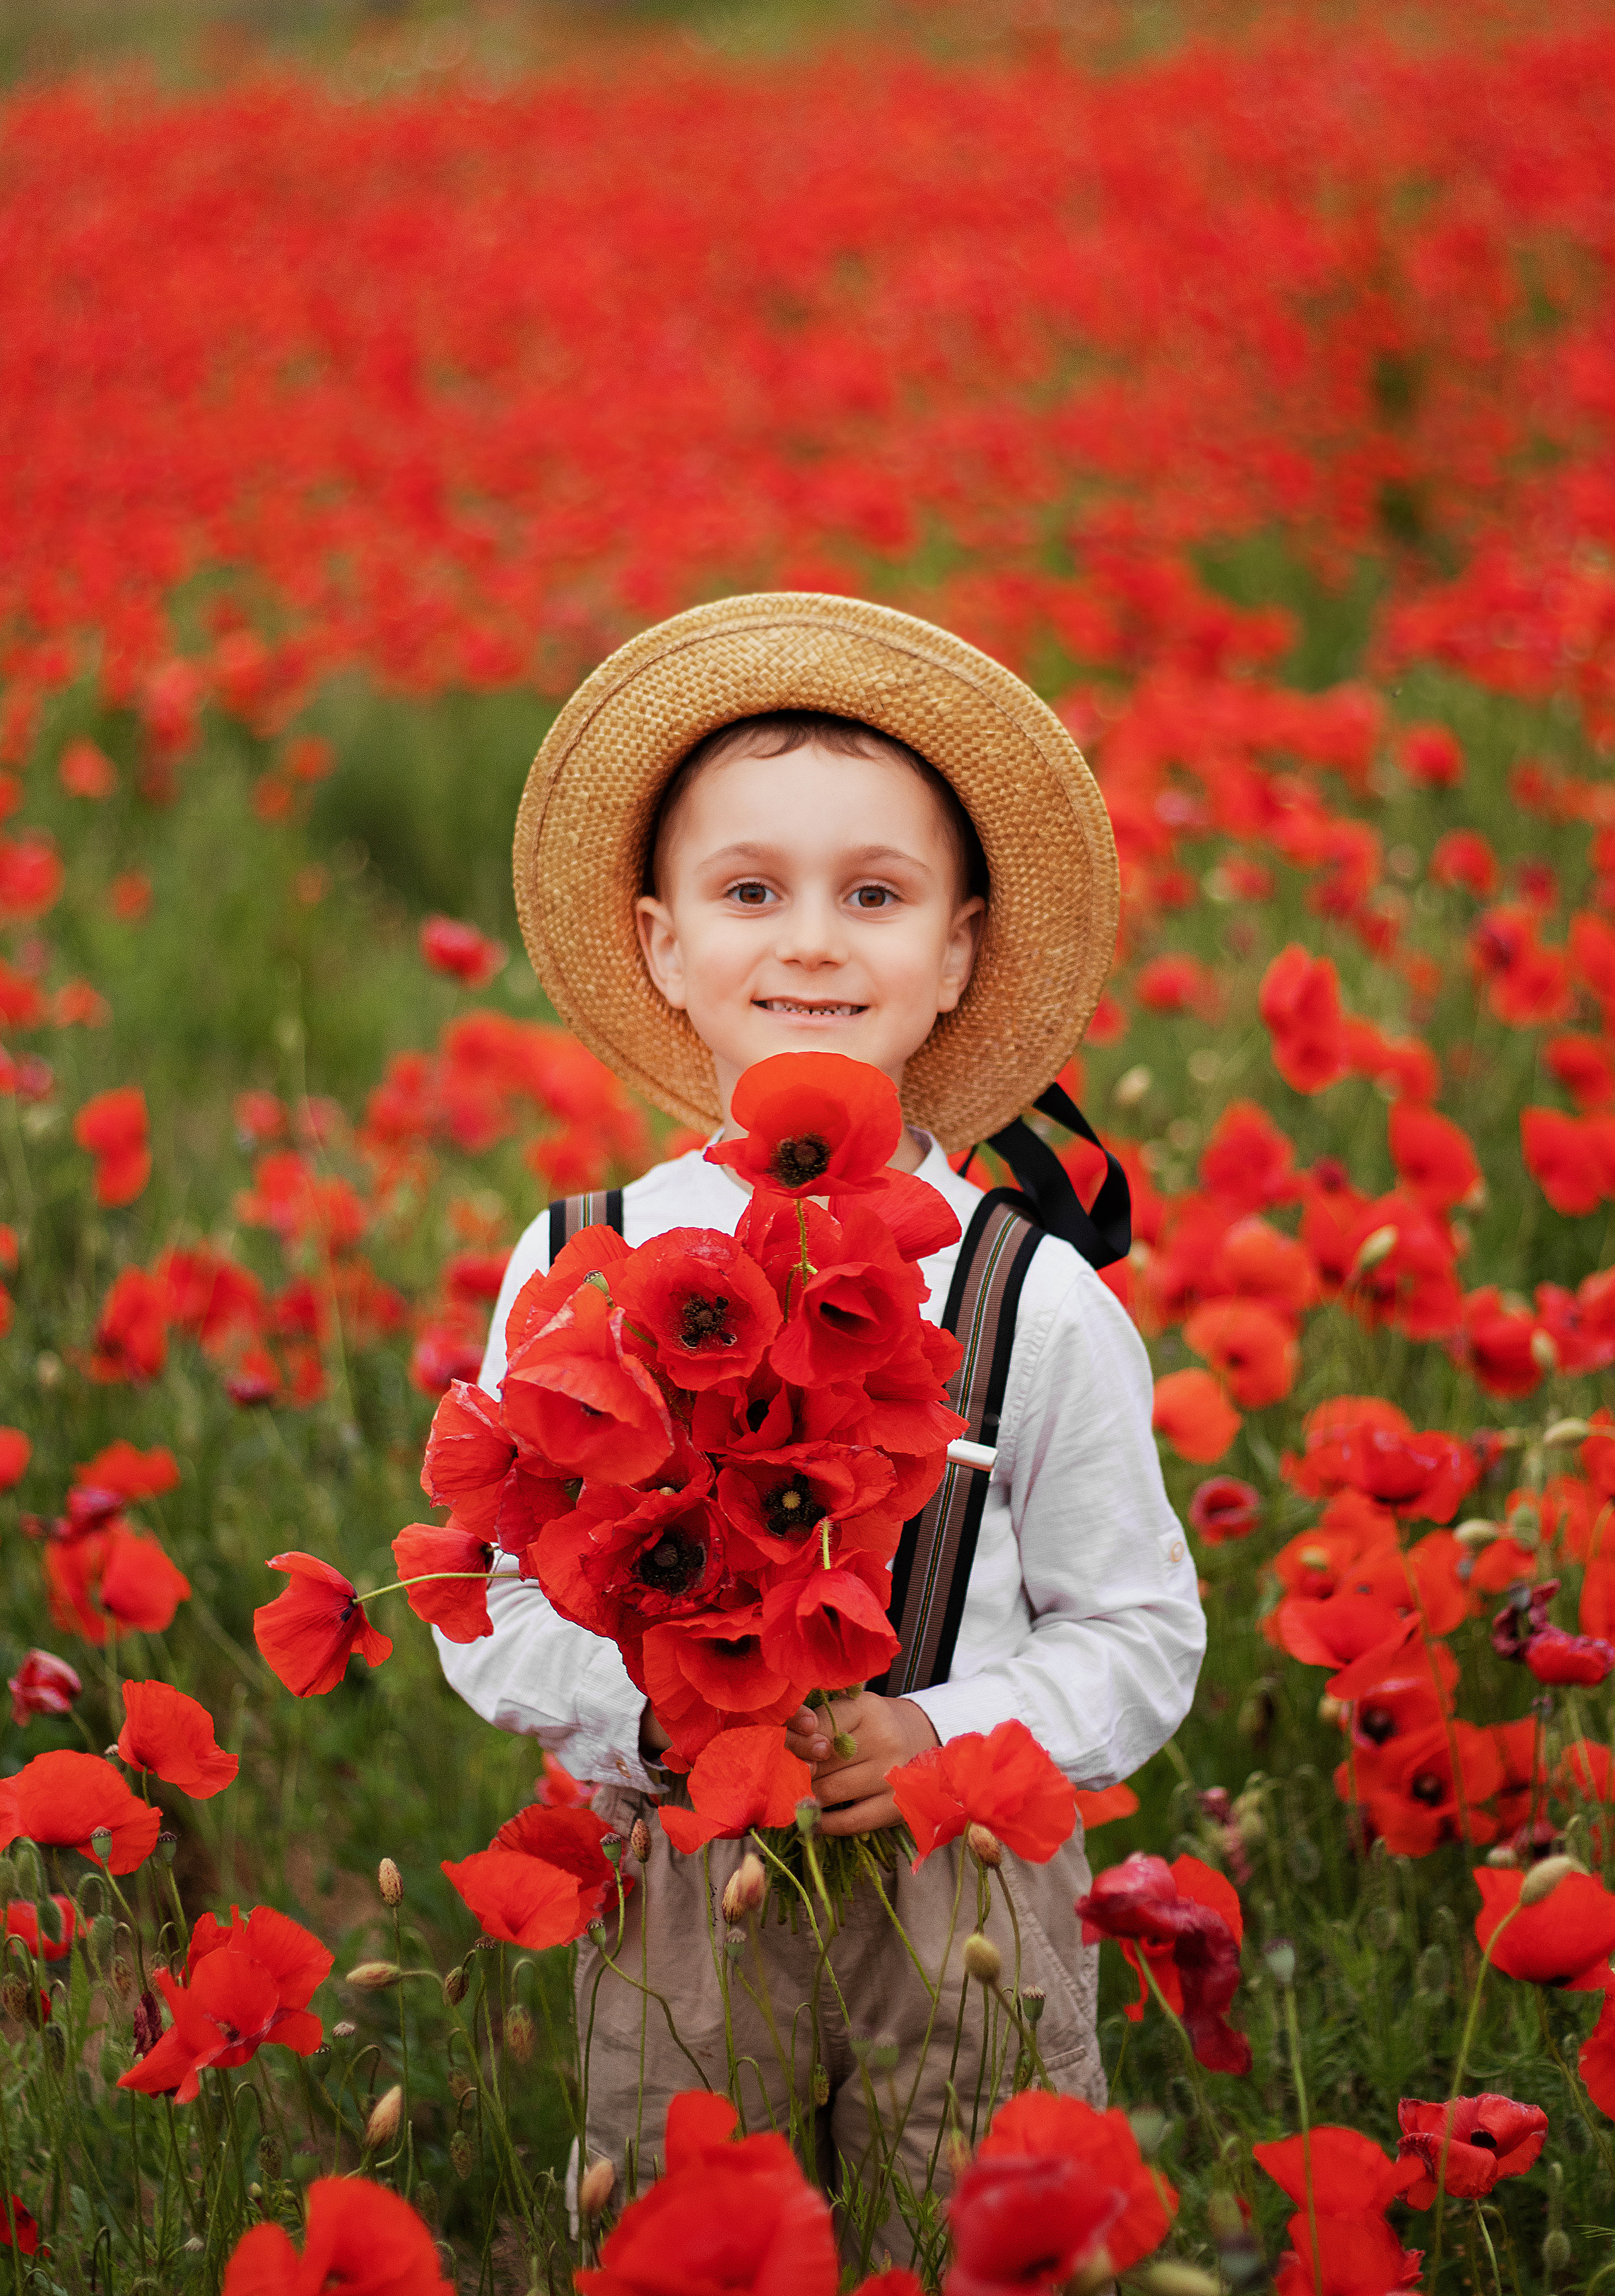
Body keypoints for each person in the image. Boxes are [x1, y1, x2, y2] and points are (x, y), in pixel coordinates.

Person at [435, 592, 1205, 2245]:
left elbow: (1139, 1632)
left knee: (981, 2232)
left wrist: (946, 1733)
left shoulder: (1034, 1297)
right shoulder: (576, 1266)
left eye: (875, 895)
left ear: (959, 954)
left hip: (970, 1888)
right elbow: (489, 1600)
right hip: (683, 1876)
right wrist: (645, 1724)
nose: (810, 943)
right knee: (697, 2232)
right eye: (750, 893)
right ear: (663, 948)